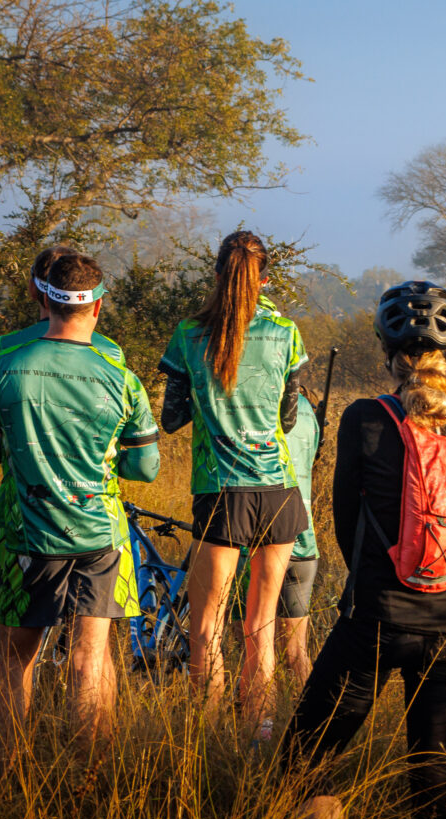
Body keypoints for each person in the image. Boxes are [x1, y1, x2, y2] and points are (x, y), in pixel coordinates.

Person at [284, 281, 446, 819]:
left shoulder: (366, 417)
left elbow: (344, 517)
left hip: (375, 620)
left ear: (386, 349)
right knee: (435, 769)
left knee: (306, 755)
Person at [0, 252, 159, 749]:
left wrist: (20, 449)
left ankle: (4, 776)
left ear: (44, 299)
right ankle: (91, 778)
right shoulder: (120, 376)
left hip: (26, 531)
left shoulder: (2, 366)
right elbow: (145, 467)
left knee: (14, 659)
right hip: (101, 534)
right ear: (98, 306)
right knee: (91, 658)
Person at [159, 230, 308, 736]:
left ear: (218, 273)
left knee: (206, 628)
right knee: (260, 628)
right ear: (264, 280)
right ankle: (259, 732)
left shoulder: (189, 333)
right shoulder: (285, 331)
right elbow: (287, 419)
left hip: (221, 491)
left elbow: (172, 418)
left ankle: (210, 737)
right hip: (279, 491)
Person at [228, 386, 323, 687]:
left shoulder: (254, 402)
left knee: (252, 649)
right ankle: (305, 713)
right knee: (297, 652)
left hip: (257, 543)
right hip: (303, 542)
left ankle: (257, 715)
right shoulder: (307, 410)